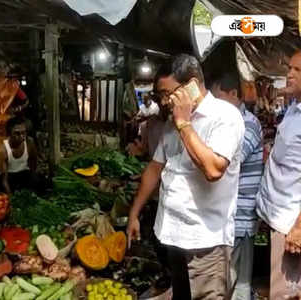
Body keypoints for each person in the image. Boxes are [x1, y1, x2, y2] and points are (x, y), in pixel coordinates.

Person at [126, 54, 245, 300]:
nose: (165, 101)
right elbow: (155, 168)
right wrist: (134, 213)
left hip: (205, 243)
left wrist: (184, 124)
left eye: (168, 93)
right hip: (172, 236)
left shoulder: (225, 117)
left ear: (192, 84)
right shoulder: (171, 124)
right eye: (161, 95)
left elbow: (213, 170)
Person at [211, 73, 264, 300]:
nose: (214, 105)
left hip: (240, 217)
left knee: (237, 284)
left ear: (234, 95)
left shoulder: (248, 124)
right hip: (229, 217)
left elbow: (226, 163)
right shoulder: (228, 122)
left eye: (218, 98)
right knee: (229, 281)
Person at [256, 50, 301, 300]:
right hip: (279, 219)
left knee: (287, 295)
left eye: (297, 70)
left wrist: (299, 228)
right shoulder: (295, 110)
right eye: (290, 68)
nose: (289, 74)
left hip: (292, 225)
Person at [0, 116, 37, 195]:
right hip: (7, 176)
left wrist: (33, 187)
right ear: (9, 134)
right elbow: (4, 180)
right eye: (17, 133)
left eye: (23, 133)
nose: (21, 136)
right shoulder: (2, 150)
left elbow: (33, 166)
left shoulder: (30, 143)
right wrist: (11, 198)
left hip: (22, 173)